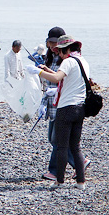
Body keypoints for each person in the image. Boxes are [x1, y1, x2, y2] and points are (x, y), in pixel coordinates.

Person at [27, 35, 90, 190]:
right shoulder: (83, 61)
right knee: (75, 146)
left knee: (61, 146)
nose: (59, 55)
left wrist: (38, 72)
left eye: (61, 51)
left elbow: (56, 78)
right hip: (80, 108)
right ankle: (81, 182)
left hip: (66, 108)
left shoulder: (68, 61)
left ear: (67, 49)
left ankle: (59, 181)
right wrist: (45, 69)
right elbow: (67, 79)